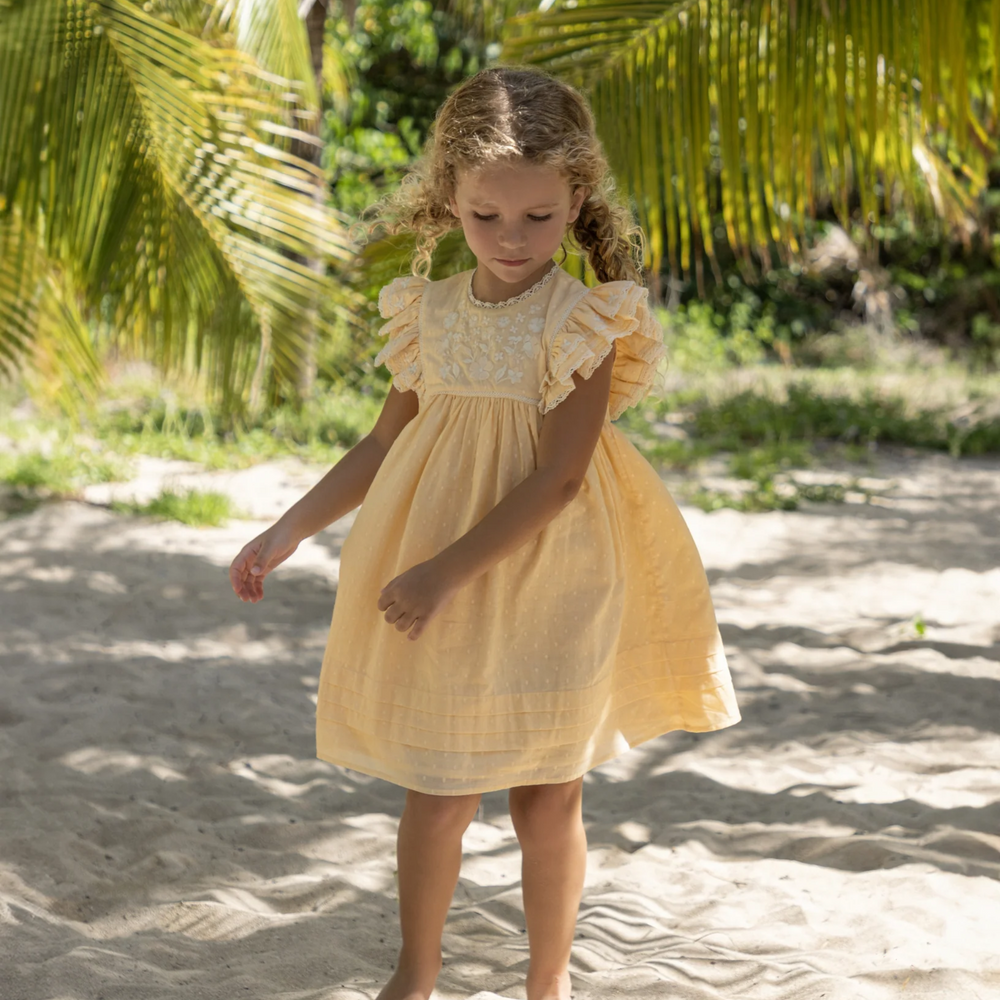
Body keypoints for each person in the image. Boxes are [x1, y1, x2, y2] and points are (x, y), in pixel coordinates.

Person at [229, 66, 741, 1000]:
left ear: (576, 198)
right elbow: (385, 441)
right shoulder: (426, 311)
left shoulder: (580, 320)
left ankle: (549, 983)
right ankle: (413, 978)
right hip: (437, 572)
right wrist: (288, 527)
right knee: (438, 789)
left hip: (548, 572)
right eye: (486, 216)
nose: (512, 239)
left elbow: (560, 479)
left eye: (539, 217)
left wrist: (440, 573)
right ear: (449, 202)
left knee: (547, 797)